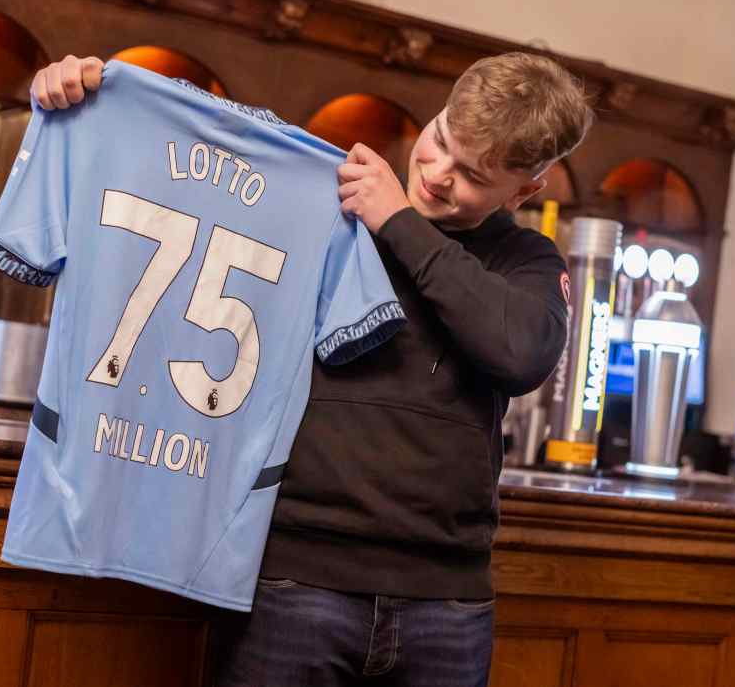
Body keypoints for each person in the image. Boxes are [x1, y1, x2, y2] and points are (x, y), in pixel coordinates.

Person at [30, 51, 592, 686]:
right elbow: (182, 162)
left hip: (447, 601)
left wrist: (399, 222)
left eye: (471, 174)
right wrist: (89, 91)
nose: (437, 173)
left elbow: (522, 353)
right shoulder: (324, 204)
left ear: (525, 190)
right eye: (440, 141)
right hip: (295, 582)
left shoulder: (525, 259)